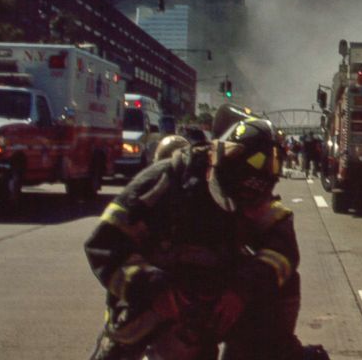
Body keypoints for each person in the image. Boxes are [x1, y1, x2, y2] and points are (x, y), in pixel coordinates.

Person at [84, 116, 329, 360]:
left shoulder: (255, 195)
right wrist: (154, 290)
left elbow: (282, 248)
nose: (241, 208)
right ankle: (117, 346)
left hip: (218, 294)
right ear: (215, 161)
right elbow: (103, 244)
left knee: (282, 286)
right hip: (157, 293)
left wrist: (241, 291)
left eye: (250, 201)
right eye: (236, 197)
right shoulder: (165, 182)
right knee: (131, 333)